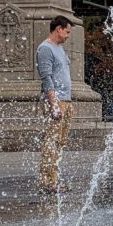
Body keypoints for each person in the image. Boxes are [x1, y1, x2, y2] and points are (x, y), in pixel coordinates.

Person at [36, 16, 74, 193]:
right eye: (67, 31)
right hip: (55, 101)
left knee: (59, 142)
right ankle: (48, 182)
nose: (68, 36)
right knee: (51, 142)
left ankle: (54, 179)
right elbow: (46, 78)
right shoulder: (45, 49)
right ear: (58, 29)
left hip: (65, 100)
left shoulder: (59, 48)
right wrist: (54, 104)